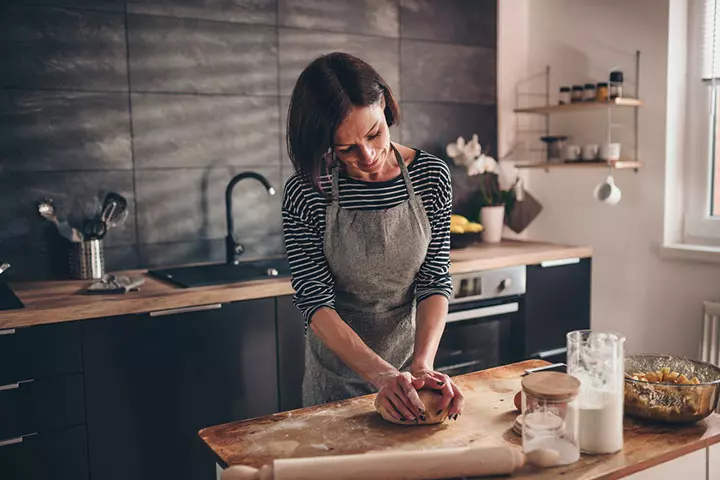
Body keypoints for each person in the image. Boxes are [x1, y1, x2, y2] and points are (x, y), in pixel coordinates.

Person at [282, 52, 464, 423]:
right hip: (334, 382)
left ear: (385, 107)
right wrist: (381, 375)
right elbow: (315, 303)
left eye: (374, 133)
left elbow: (433, 280)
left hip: (409, 371)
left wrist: (421, 366)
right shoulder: (307, 191)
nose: (366, 156)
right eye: (345, 148)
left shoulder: (431, 177)